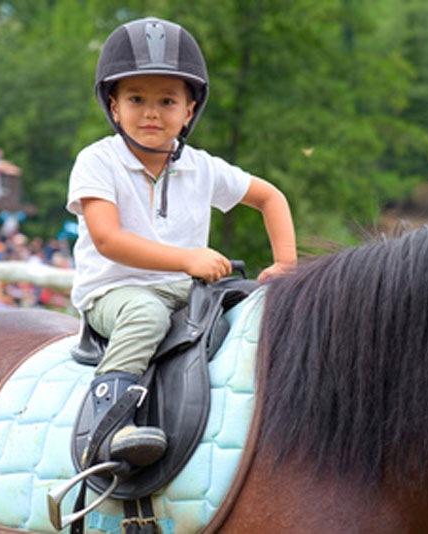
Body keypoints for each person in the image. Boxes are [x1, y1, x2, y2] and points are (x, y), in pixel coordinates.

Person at [66, 17, 296, 468]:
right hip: (115, 291)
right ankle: (105, 424)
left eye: (167, 101)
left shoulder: (203, 167)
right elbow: (109, 240)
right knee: (146, 314)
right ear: (113, 107)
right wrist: (187, 258)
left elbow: (271, 197)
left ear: (189, 111)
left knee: (254, 311)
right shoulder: (97, 161)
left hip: (185, 289)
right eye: (136, 99)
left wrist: (285, 263)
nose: (152, 112)